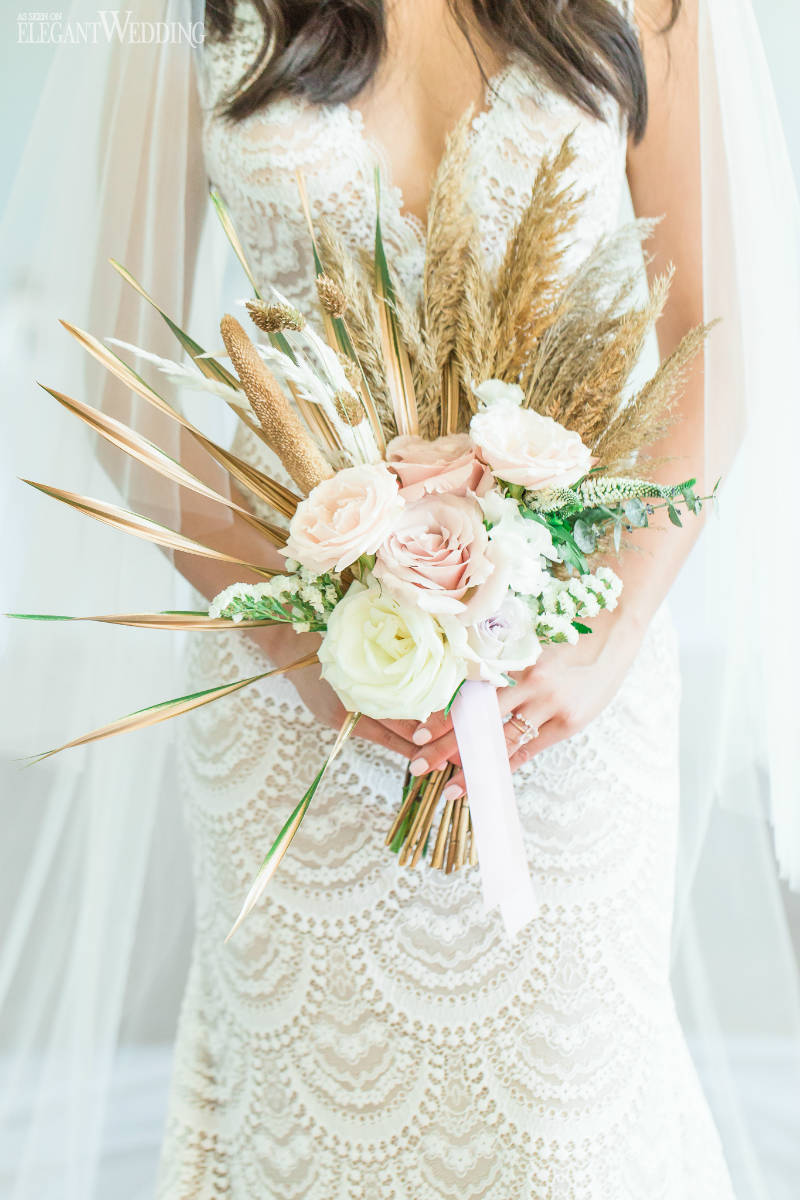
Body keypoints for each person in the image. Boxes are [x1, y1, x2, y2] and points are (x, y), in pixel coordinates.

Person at [154, 2, 733, 1194]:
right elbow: (122, 400)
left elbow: (709, 359)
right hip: (289, 712)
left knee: (563, 1136)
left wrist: (605, 637)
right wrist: (309, 647)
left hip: (563, 686)